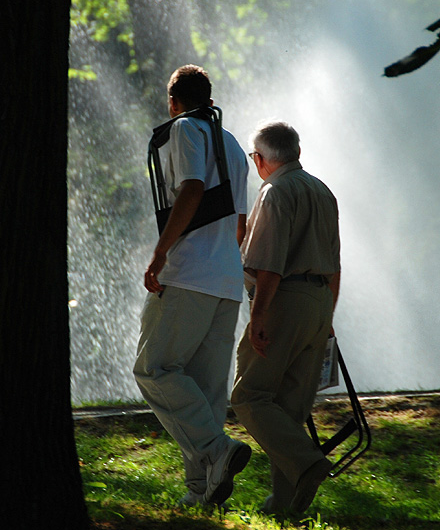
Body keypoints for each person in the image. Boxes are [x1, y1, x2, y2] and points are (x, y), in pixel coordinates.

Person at [134, 65, 251, 508]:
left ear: (173, 101)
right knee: (203, 391)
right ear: (210, 95)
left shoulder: (185, 128)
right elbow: (239, 221)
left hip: (189, 274)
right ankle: (203, 490)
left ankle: (217, 450)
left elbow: (192, 188)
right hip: (226, 280)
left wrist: (161, 252)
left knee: (154, 369)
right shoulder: (234, 143)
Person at [231, 120, 341, 517]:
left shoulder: (274, 192)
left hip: (285, 300)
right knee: (290, 409)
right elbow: (335, 263)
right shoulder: (322, 190)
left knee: (249, 397)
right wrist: (328, 311)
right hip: (318, 302)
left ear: (261, 159)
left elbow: (269, 265)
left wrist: (258, 315)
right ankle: (286, 504)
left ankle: (308, 463)